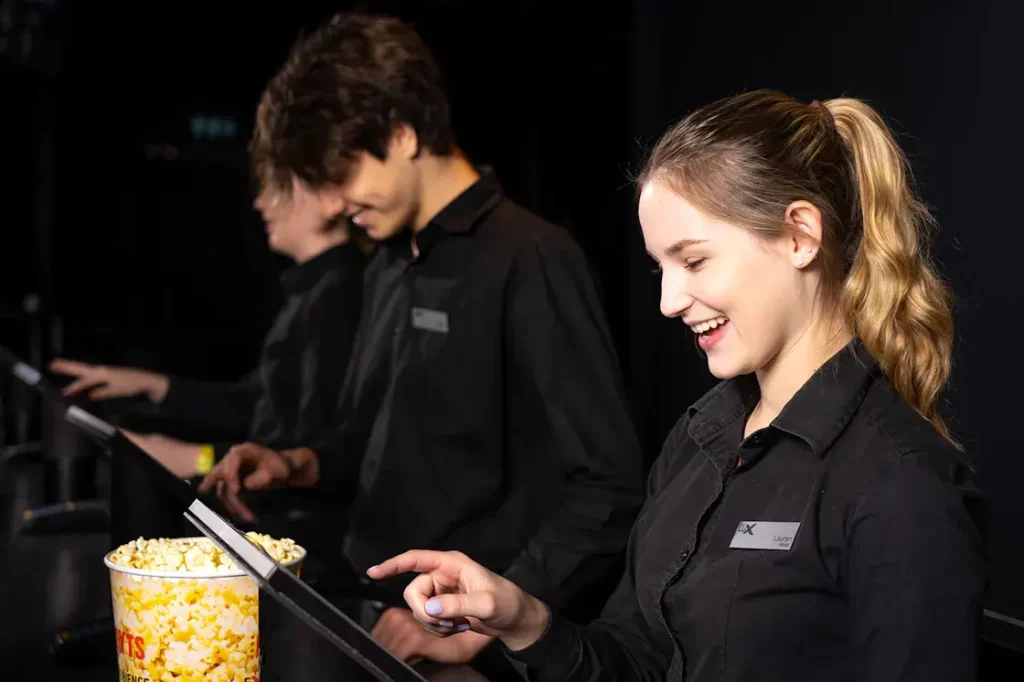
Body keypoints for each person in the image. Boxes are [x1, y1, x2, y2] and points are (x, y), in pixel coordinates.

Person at [367, 90, 988, 681]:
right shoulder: (698, 441)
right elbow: (636, 663)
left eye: (693, 261)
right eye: (660, 267)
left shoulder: (903, 483)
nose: (669, 301)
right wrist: (524, 620)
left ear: (801, 235)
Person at [196, 11, 645, 670]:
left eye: (342, 174)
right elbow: (373, 440)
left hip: (459, 644)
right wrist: (293, 464)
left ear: (403, 133)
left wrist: (488, 620)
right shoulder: (387, 259)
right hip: (370, 606)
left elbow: (608, 488)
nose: (331, 205)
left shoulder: (531, 256)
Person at [49, 170, 366, 481]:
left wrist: (198, 458)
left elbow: (315, 448)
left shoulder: (339, 294)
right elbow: (258, 405)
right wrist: (153, 385)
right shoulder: (315, 292)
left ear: (329, 197)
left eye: (278, 187)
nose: (260, 202)